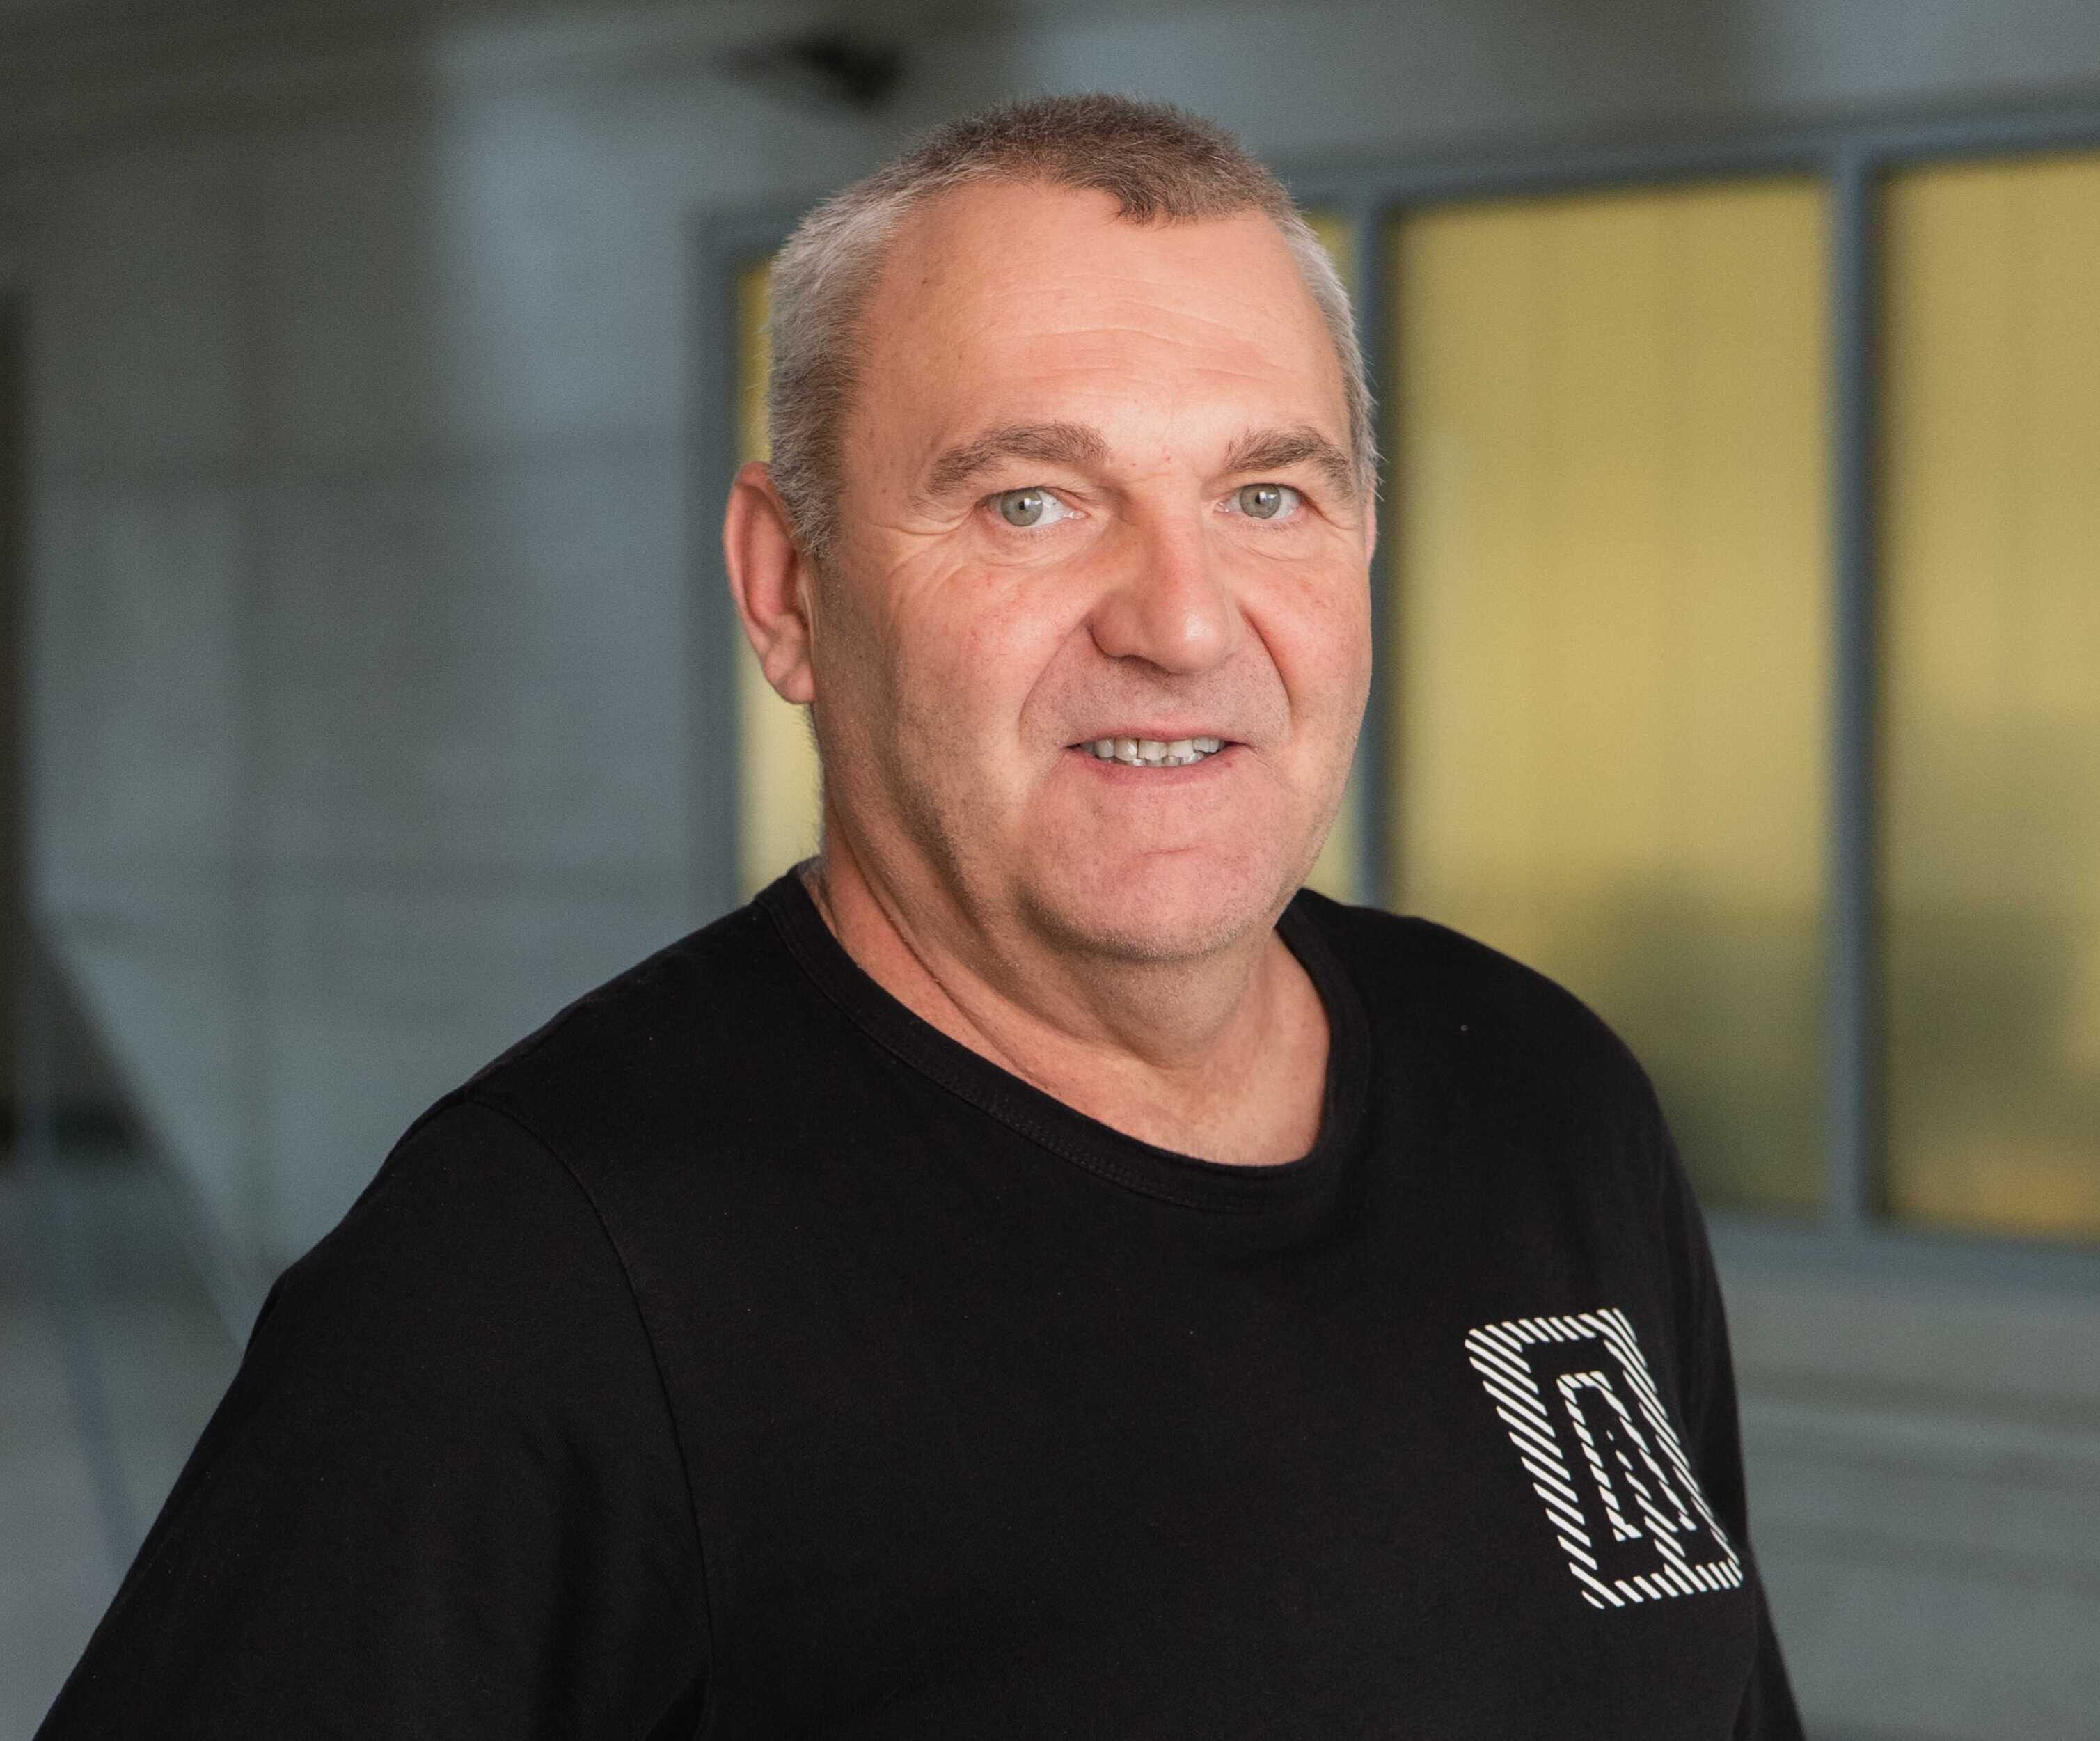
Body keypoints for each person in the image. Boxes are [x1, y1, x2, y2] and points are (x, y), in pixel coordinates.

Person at [41, 94, 1803, 1738]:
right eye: (1032, 501)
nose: (1184, 622)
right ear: (788, 590)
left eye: (1266, 495)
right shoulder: (540, 1276)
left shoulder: (1541, 1096)